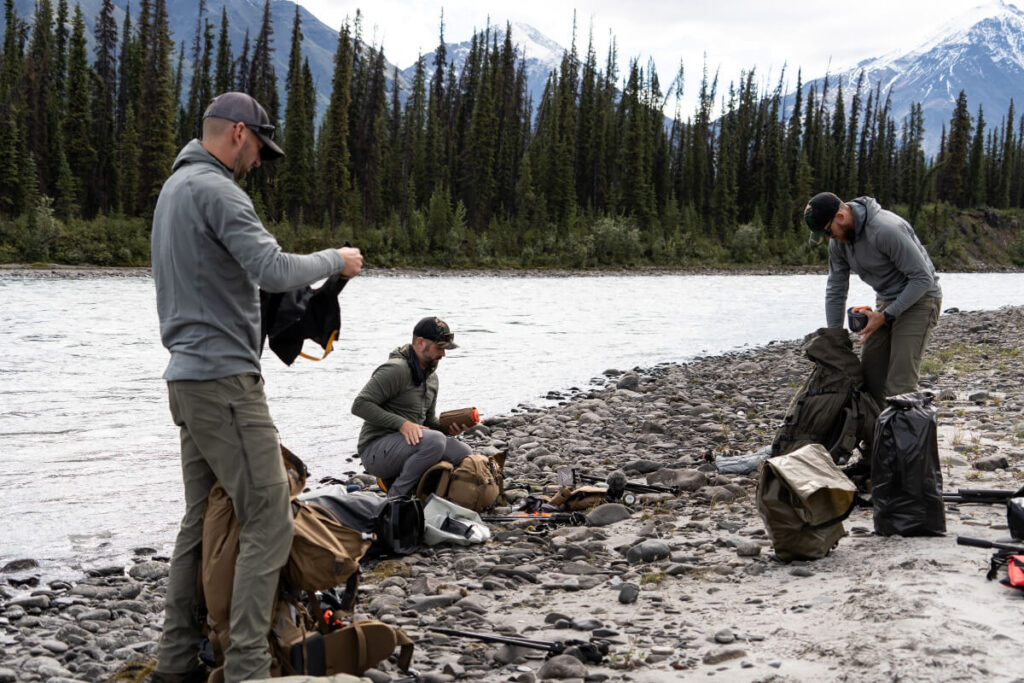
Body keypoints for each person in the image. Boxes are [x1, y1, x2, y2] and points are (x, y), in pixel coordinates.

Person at [150, 91, 363, 683]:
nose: (257, 164)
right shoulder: (218, 190)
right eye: (259, 151)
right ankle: (247, 667)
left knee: (199, 520)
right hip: (225, 384)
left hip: (187, 382)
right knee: (268, 515)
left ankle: (174, 661)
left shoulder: (174, 192)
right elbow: (271, 268)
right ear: (238, 133)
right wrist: (334, 259)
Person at [804, 192, 942, 408]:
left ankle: (906, 439)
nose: (830, 238)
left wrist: (885, 316)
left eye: (828, 232)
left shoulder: (886, 229)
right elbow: (836, 289)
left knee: (900, 384)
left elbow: (922, 278)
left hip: (921, 300)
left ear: (841, 216)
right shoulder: (839, 243)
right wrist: (835, 337)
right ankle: (878, 438)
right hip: (886, 300)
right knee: (870, 381)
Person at [352, 317, 472, 497]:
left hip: (409, 445)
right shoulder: (396, 369)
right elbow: (359, 405)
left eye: (446, 349)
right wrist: (403, 424)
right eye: (439, 347)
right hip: (375, 450)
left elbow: (428, 422)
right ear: (419, 342)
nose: (443, 354)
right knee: (435, 441)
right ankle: (396, 498)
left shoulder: (431, 378)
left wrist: (449, 429)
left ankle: (427, 495)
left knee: (462, 452)